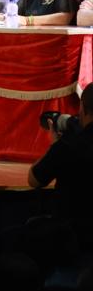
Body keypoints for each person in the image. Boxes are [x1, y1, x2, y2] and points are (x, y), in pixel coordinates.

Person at [28, 87, 93, 227]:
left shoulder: (68, 145)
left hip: (69, 237)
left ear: (83, 107)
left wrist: (55, 146)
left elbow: (34, 180)